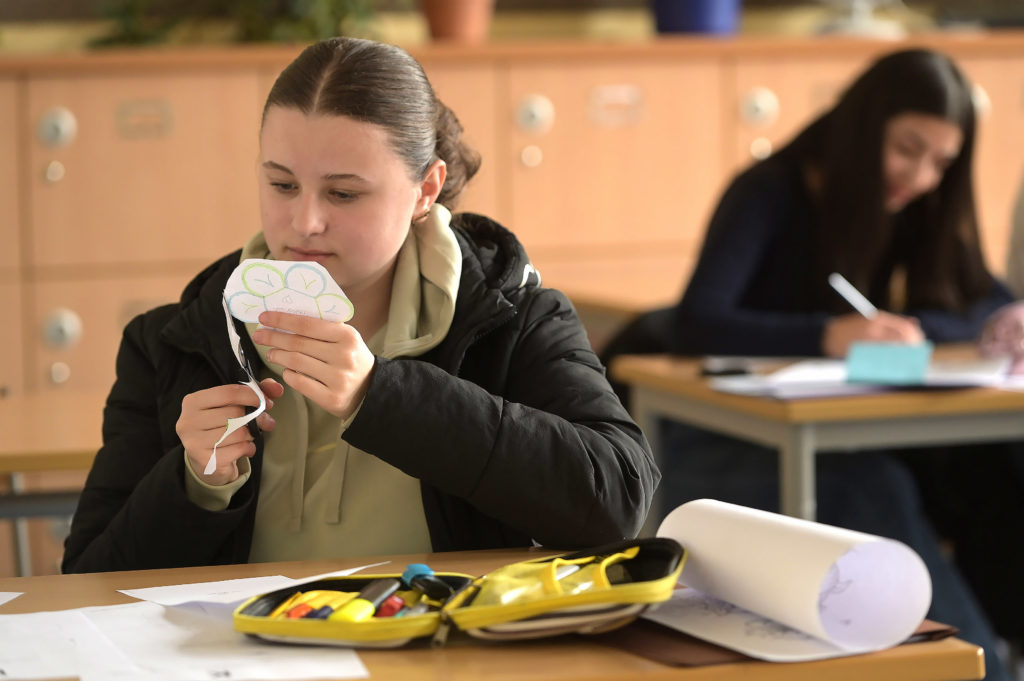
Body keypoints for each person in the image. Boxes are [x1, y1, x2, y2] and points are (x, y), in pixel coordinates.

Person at [62, 37, 657, 574]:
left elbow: (619, 500)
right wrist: (195, 483)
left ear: (425, 189)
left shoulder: (513, 316)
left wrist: (384, 395)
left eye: (344, 193)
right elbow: (88, 580)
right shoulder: (171, 339)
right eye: (281, 184)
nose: (304, 222)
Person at [606, 49, 1021, 680]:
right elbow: (698, 321)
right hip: (719, 432)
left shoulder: (911, 201)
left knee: (994, 464)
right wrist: (828, 336)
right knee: (872, 487)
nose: (922, 176)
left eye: (942, 162)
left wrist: (1003, 317)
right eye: (909, 148)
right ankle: (975, 670)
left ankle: (997, 649)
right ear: (865, 125)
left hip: (832, 426)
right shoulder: (768, 191)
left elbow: (970, 296)